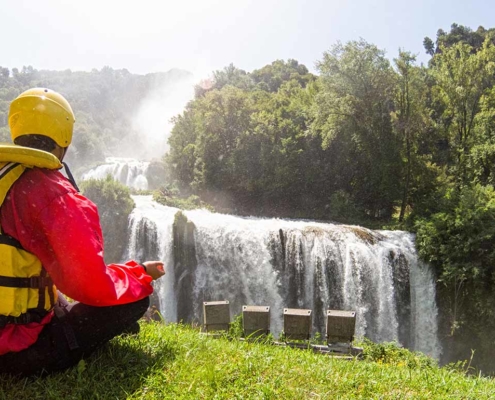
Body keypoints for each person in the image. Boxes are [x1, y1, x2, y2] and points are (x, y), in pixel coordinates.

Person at [0, 88, 165, 376]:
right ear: (64, 137)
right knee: (134, 300)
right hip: (16, 351)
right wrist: (138, 273)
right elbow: (91, 286)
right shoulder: (52, 194)